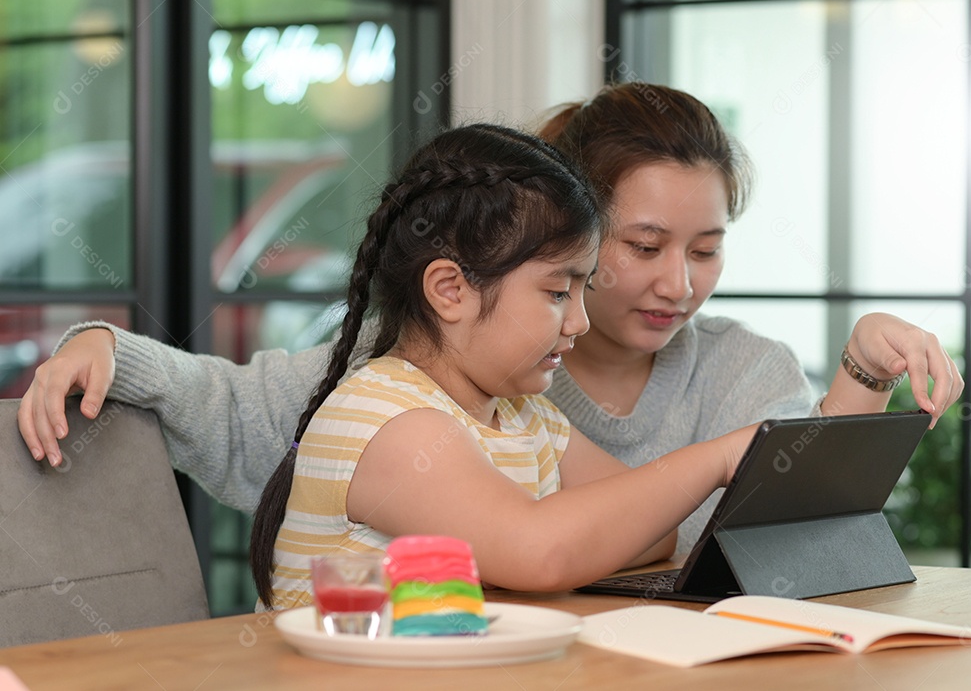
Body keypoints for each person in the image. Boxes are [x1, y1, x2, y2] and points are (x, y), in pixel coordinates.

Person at [18, 83, 963, 554]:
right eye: (635, 250)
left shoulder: (532, 412)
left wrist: (856, 388)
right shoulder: (397, 403)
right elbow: (232, 407)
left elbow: (739, 549)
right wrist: (109, 345)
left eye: (707, 250)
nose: (678, 282)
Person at [251, 122, 758, 608]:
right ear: (451, 290)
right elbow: (541, 552)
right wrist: (718, 459)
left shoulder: (524, 417)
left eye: (585, 290)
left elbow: (653, 533)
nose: (579, 321)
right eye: (558, 292)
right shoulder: (386, 422)